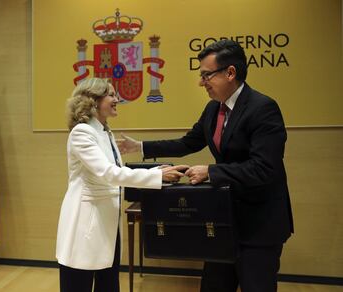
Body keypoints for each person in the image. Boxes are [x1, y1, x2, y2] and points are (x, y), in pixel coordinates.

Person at [118, 40, 294, 292]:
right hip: (224, 220)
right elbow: (187, 142)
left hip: (259, 225)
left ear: (230, 73)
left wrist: (211, 171)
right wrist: (142, 146)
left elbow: (264, 168)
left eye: (206, 75)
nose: (201, 82)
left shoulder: (263, 108)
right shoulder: (213, 109)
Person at [56, 78, 187, 292]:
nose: (117, 99)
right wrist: (155, 177)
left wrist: (155, 172)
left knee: (108, 284)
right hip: (86, 225)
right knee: (78, 284)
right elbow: (109, 174)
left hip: (107, 224)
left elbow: (116, 173)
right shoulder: (82, 132)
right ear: (93, 100)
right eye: (111, 95)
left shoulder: (105, 132)